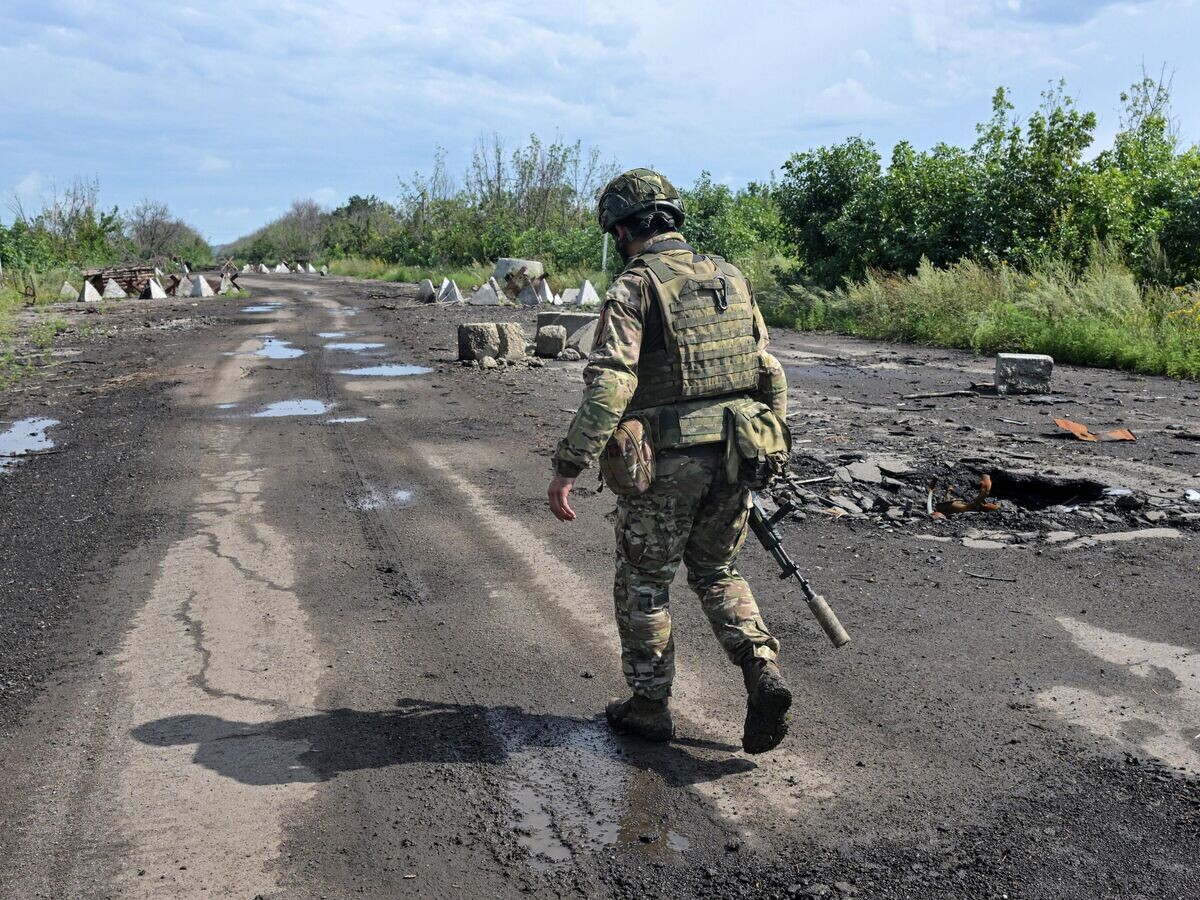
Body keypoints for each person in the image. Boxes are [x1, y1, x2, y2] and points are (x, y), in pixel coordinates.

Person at [547, 168, 793, 754]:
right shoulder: (731, 277)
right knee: (717, 571)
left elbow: (610, 384)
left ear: (624, 228)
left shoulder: (635, 286)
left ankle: (650, 707)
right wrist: (773, 446)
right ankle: (760, 666)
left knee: (644, 582)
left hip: (666, 461)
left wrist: (569, 465)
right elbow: (770, 370)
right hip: (739, 452)